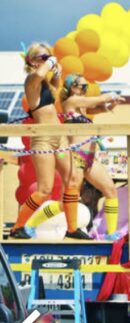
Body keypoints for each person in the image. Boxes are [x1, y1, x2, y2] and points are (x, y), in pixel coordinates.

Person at [11, 43, 76, 239]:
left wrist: (57, 72)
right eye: (42, 57)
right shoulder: (31, 80)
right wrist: (51, 62)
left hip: (59, 137)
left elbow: (56, 88)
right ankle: (18, 227)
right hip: (43, 139)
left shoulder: (45, 85)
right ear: (31, 61)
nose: (47, 59)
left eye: (48, 55)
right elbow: (39, 74)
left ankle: (73, 228)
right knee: (45, 188)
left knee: (71, 180)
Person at [54, 73, 125, 240]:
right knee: (67, 200)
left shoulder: (82, 108)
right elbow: (97, 101)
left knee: (110, 189)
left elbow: (101, 108)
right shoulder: (71, 102)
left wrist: (112, 104)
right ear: (73, 88)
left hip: (89, 159)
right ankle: (38, 224)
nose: (86, 90)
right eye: (84, 86)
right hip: (76, 156)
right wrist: (111, 95)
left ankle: (111, 233)